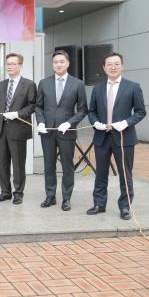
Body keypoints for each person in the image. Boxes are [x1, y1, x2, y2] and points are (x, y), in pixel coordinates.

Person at [87, 52, 146, 220]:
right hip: (102, 137)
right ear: (104, 67)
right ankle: (99, 204)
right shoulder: (97, 88)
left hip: (124, 137)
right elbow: (91, 111)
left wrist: (126, 122)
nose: (113, 67)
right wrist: (95, 122)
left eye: (116, 64)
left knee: (125, 174)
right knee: (100, 173)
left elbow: (141, 111)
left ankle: (125, 206)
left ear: (122, 66)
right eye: (109, 64)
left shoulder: (133, 87)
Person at [35, 50, 88, 211]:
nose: (58, 64)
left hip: (67, 131)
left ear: (68, 63)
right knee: (48, 165)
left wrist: (70, 123)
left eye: (61, 62)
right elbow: (38, 106)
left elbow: (82, 109)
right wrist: (41, 122)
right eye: (55, 62)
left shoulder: (77, 84)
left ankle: (66, 198)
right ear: (52, 64)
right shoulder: (44, 83)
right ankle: (50, 196)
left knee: (67, 165)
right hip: (47, 131)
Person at [0, 53, 37, 205]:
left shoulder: (29, 84)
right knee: (2, 163)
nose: (10, 66)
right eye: (8, 64)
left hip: (18, 129)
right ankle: (5, 192)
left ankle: (18, 193)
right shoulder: (2, 84)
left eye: (13, 64)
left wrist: (18, 114)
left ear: (20, 66)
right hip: (1, 129)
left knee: (18, 164)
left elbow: (33, 105)